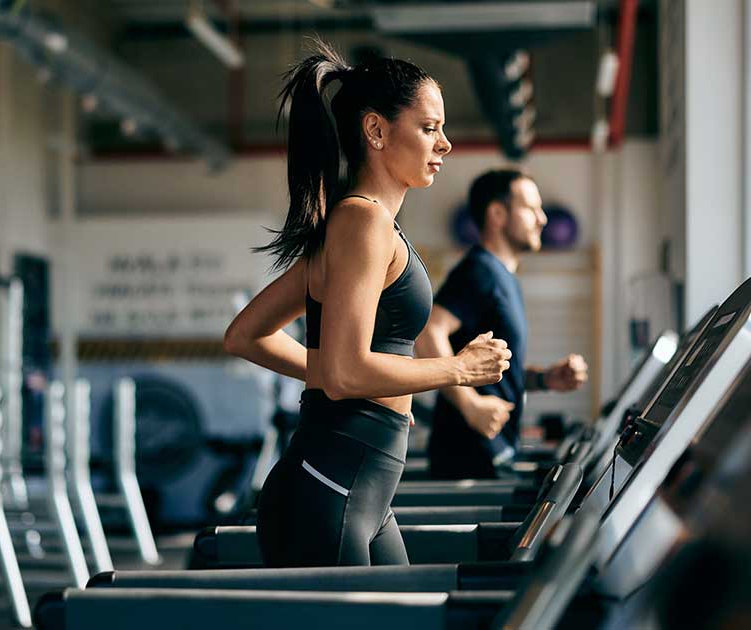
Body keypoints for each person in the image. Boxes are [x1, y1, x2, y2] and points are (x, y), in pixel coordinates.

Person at [222, 41, 511, 567]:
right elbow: (345, 373)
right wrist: (457, 369)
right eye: (429, 128)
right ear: (376, 130)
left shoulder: (363, 224)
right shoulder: (362, 222)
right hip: (329, 487)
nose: (445, 144)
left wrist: (368, 380)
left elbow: (249, 335)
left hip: (356, 489)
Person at [415, 168, 588, 480]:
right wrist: (470, 405)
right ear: (497, 214)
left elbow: (494, 371)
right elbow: (429, 332)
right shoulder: (480, 271)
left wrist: (545, 378)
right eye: (531, 209)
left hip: (493, 451)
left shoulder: (503, 277)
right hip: (468, 457)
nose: (542, 219)